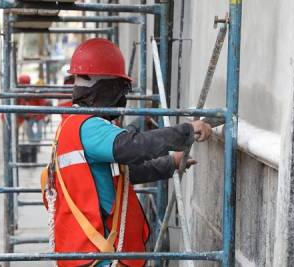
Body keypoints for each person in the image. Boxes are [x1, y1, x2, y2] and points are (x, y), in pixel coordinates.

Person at [41, 38, 212, 267]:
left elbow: (122, 173)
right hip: (100, 255)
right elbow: (134, 147)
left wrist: (171, 162)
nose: (122, 98)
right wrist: (187, 131)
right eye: (121, 89)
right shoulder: (88, 126)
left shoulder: (72, 125)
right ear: (107, 87)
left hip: (91, 252)